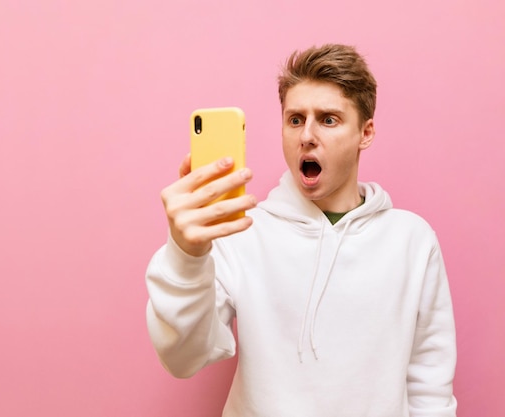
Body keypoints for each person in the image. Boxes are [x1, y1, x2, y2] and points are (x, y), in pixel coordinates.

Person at [145, 43, 457, 417]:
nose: (306, 135)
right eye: (295, 119)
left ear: (366, 132)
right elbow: (183, 359)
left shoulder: (413, 240)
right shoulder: (239, 233)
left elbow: (430, 385)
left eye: (328, 119)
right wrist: (185, 257)